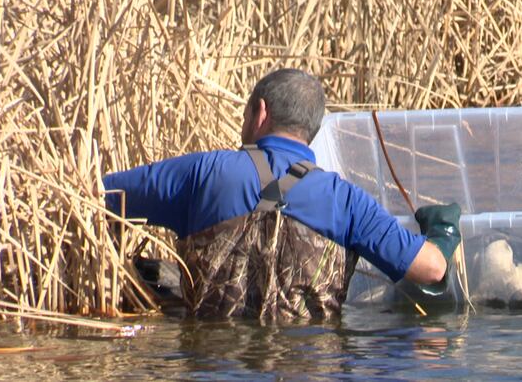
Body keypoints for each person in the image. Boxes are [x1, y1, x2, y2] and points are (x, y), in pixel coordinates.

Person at [103, 68, 461, 321]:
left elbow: (103, 195)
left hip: (213, 365)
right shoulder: (345, 199)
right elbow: (431, 269)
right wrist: (443, 230)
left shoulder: (201, 172)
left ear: (260, 112)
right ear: (312, 130)